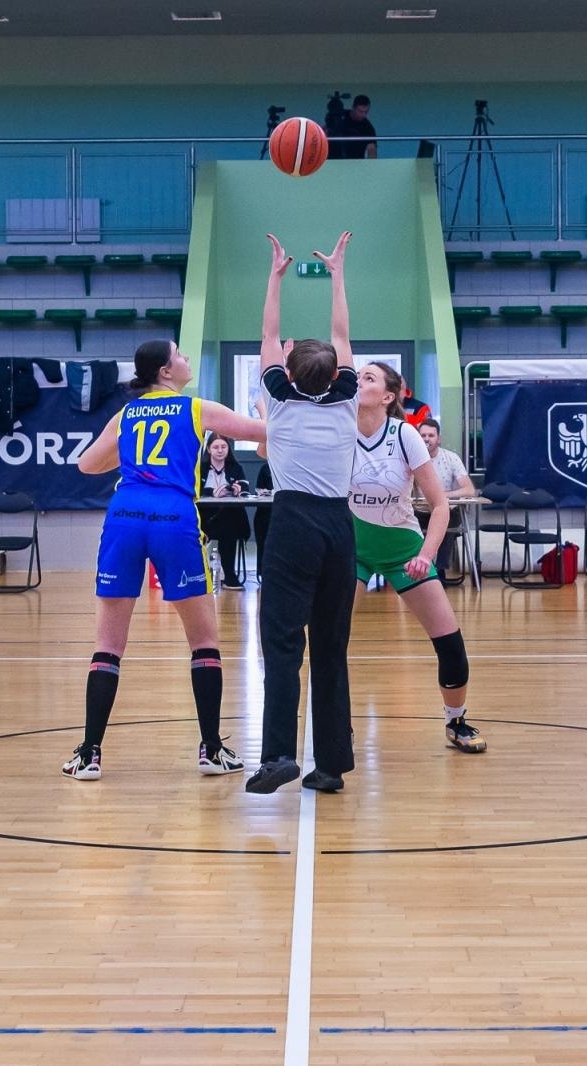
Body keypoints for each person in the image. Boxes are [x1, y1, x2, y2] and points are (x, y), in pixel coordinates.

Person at [61, 339, 267, 782]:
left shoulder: (127, 413)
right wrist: (266, 411)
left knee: (108, 644)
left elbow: (86, 465)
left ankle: (90, 753)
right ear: (165, 370)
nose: (187, 359)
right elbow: (259, 434)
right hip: (173, 516)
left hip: (125, 514)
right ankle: (211, 749)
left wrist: (132, 460)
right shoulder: (195, 408)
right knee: (204, 640)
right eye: (180, 354)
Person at [246, 231, 360, 795]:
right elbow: (340, 333)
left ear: (287, 373)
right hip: (340, 527)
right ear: (335, 371)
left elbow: (267, 333)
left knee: (282, 643)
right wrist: (337, 273)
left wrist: (275, 275)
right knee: (332, 648)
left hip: (292, 523)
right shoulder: (346, 397)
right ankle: (332, 765)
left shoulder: (279, 400)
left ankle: (277, 758)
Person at [351, 361, 486, 755]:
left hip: (403, 550)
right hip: (352, 551)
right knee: (329, 644)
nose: (359, 380)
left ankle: (455, 720)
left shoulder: (404, 434)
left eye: (369, 378)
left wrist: (426, 556)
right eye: (358, 375)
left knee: (450, 641)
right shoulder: (339, 428)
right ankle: (335, 724)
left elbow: (440, 506)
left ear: (389, 396)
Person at [415, 417, 475, 575]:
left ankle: (439, 571)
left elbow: (469, 490)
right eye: (423, 435)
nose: (427, 439)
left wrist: (443, 495)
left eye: (431, 435)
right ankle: (414, 570)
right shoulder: (411, 458)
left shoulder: (451, 458)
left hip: (446, 509)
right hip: (419, 510)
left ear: (439, 439)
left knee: (446, 525)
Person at [197, 432, 252, 590]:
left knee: (230, 521)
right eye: (216, 447)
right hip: (206, 517)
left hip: (229, 518)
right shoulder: (201, 468)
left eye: (223, 447)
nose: (220, 450)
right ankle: (208, 572)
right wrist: (212, 493)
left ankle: (229, 573)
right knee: (226, 523)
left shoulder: (235, 467)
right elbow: (194, 490)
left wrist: (237, 490)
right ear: (208, 449)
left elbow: (246, 488)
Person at [333, 95, 378, 160]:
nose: (363, 115)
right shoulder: (339, 116)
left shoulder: (367, 127)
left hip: (356, 163)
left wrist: (371, 166)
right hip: (334, 161)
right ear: (353, 108)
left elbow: (371, 148)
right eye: (360, 111)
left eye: (366, 112)